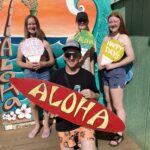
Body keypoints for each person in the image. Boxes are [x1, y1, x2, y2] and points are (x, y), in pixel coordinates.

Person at [51, 40, 99, 150]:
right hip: (64, 124)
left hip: (84, 122)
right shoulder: (55, 76)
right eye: (68, 55)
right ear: (64, 56)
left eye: (75, 55)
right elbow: (49, 100)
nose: (71, 58)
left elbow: (97, 96)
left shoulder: (88, 76)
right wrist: (51, 111)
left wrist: (93, 95)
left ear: (80, 57)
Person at [97, 11, 135, 146]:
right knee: (108, 102)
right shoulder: (106, 38)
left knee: (118, 106)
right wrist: (100, 63)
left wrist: (114, 65)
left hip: (117, 73)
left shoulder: (124, 38)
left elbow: (131, 56)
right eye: (110, 22)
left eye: (115, 21)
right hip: (106, 73)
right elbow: (100, 53)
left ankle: (119, 134)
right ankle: (110, 127)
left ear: (120, 23)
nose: (112, 24)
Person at [17, 15, 55, 139]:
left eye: (33, 24)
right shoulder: (23, 44)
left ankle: (45, 125)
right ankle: (36, 125)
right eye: (29, 24)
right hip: (29, 74)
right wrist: (27, 64)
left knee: (44, 102)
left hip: (44, 73)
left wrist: (44, 63)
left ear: (37, 25)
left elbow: (52, 61)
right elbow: (18, 61)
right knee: (33, 104)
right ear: (26, 27)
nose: (31, 26)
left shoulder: (44, 43)